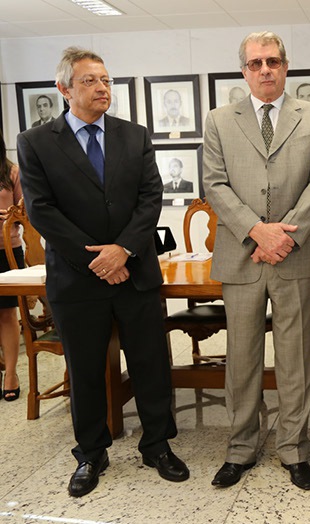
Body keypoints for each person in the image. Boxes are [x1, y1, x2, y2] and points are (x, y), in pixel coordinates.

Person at [17, 47, 189, 497]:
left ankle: (158, 446)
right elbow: (41, 210)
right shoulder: (36, 142)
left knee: (151, 364)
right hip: (77, 279)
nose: (101, 88)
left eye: (106, 80)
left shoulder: (134, 135)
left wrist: (123, 250)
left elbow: (150, 198)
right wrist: (98, 260)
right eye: (90, 81)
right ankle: (91, 454)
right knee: (86, 370)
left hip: (135, 273)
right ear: (64, 89)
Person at [203, 30, 310, 492]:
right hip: (241, 254)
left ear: (285, 66)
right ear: (244, 71)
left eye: (273, 61)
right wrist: (257, 231)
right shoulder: (219, 120)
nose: (265, 70)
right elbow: (214, 184)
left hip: (296, 254)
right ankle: (240, 448)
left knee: (296, 358)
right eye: (256, 63)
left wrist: (282, 238)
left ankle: (293, 449)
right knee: (241, 359)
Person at [0, 131, 23, 402]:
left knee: (7, 313)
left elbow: (26, 210)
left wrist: (12, 215)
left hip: (6, 250)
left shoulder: (11, 171)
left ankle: (11, 374)